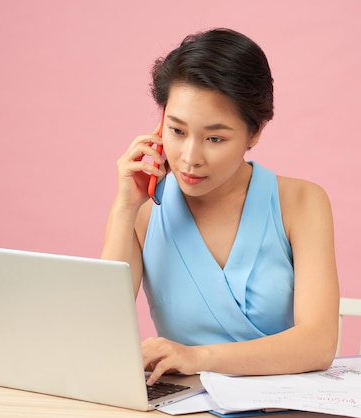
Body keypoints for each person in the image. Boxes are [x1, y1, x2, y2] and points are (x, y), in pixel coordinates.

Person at [101, 28, 339, 385]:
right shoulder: (145, 211)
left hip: (282, 405)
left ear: (255, 132)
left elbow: (319, 345)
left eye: (215, 138)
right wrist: (124, 207)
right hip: (182, 405)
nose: (190, 158)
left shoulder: (302, 203)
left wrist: (197, 357)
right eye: (177, 131)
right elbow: (98, 333)